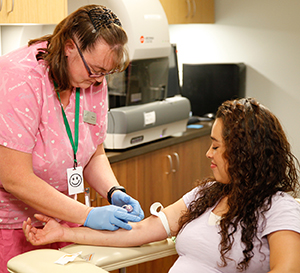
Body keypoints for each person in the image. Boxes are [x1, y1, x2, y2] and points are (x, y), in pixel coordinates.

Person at [24, 98, 300, 273]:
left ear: (244, 153)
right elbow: (141, 230)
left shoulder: (279, 209)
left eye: (216, 146)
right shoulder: (207, 196)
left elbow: (287, 269)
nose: (208, 154)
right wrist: (63, 231)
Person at [0, 4, 144, 270]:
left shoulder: (92, 80)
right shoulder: (19, 78)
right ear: (69, 47)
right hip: (13, 227)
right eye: (95, 70)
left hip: (64, 222)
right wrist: (89, 215)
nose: (100, 80)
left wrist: (114, 191)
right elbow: (14, 178)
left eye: (106, 72)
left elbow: (93, 153)